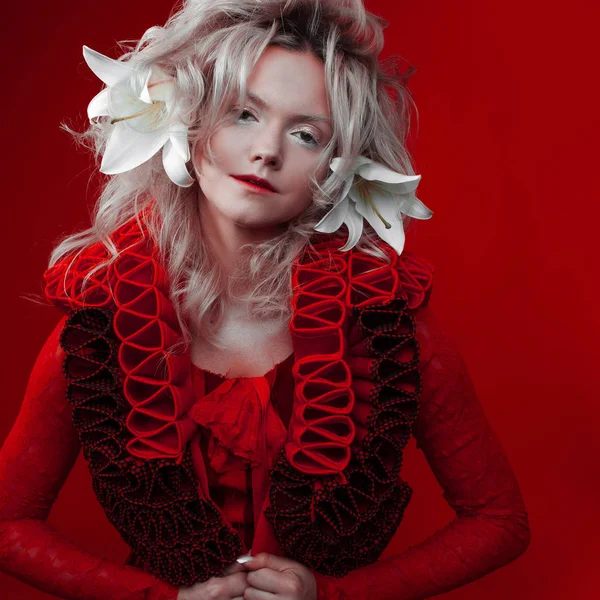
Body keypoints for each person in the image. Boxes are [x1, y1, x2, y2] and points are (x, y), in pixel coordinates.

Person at [0, 0, 531, 599]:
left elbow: (500, 521)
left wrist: (333, 596)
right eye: (243, 114)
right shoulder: (109, 321)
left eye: (306, 134)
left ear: (339, 167)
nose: (267, 151)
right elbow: (7, 523)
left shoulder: (384, 327)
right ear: (187, 119)